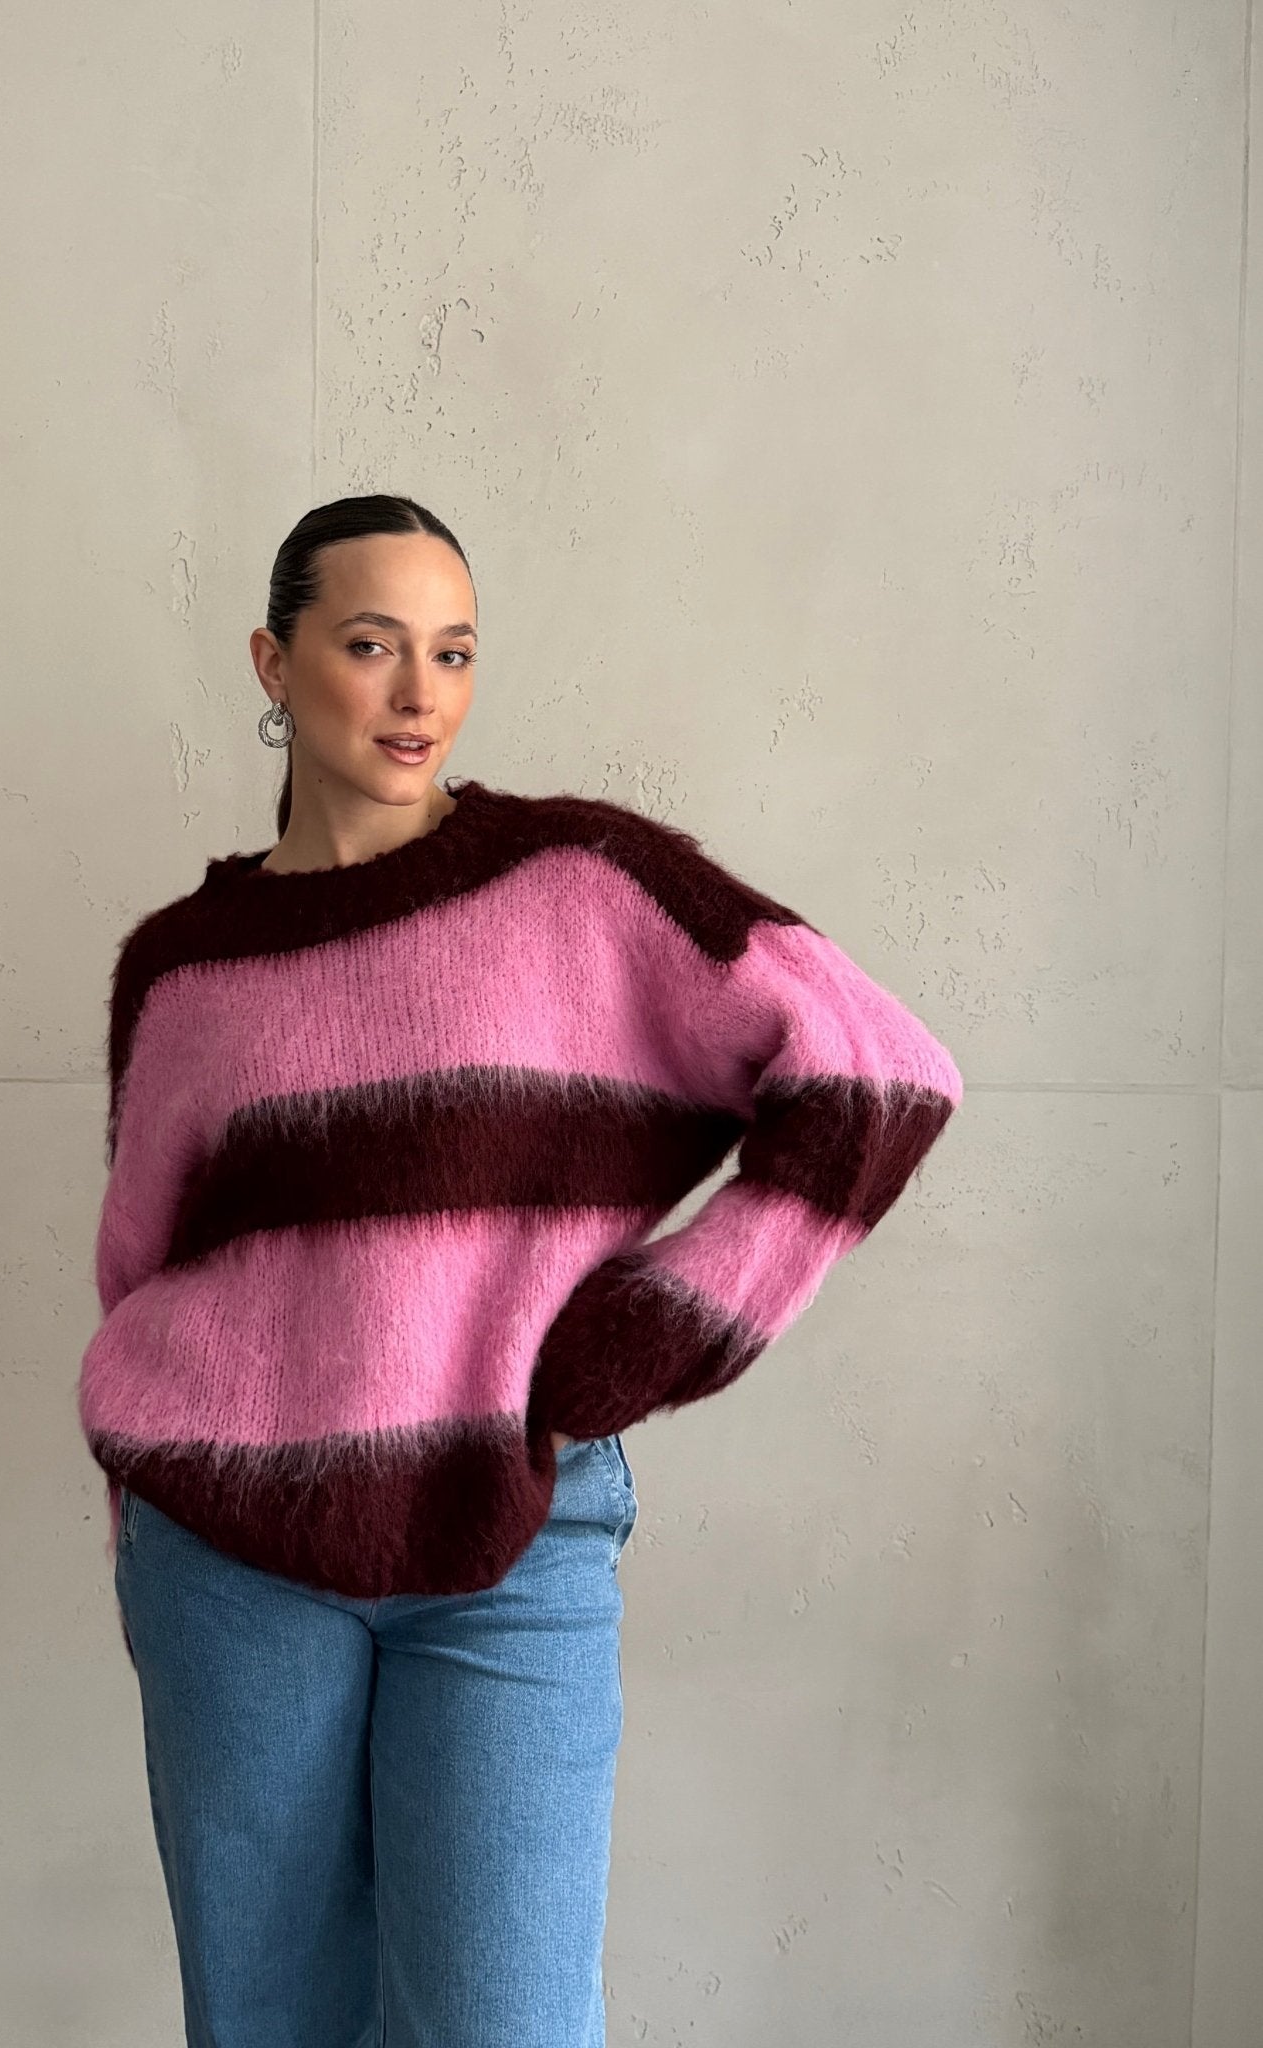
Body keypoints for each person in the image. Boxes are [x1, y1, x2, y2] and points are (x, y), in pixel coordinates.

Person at [77, 493, 964, 2046]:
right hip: (225, 1557)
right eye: (371, 645)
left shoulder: (578, 884)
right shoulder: (181, 966)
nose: (418, 692)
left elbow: (878, 1074)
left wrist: (659, 1326)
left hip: (514, 1536)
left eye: (454, 651)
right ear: (274, 664)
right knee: (267, 2024)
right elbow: (140, 1263)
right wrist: (136, 1515)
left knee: (510, 2022)